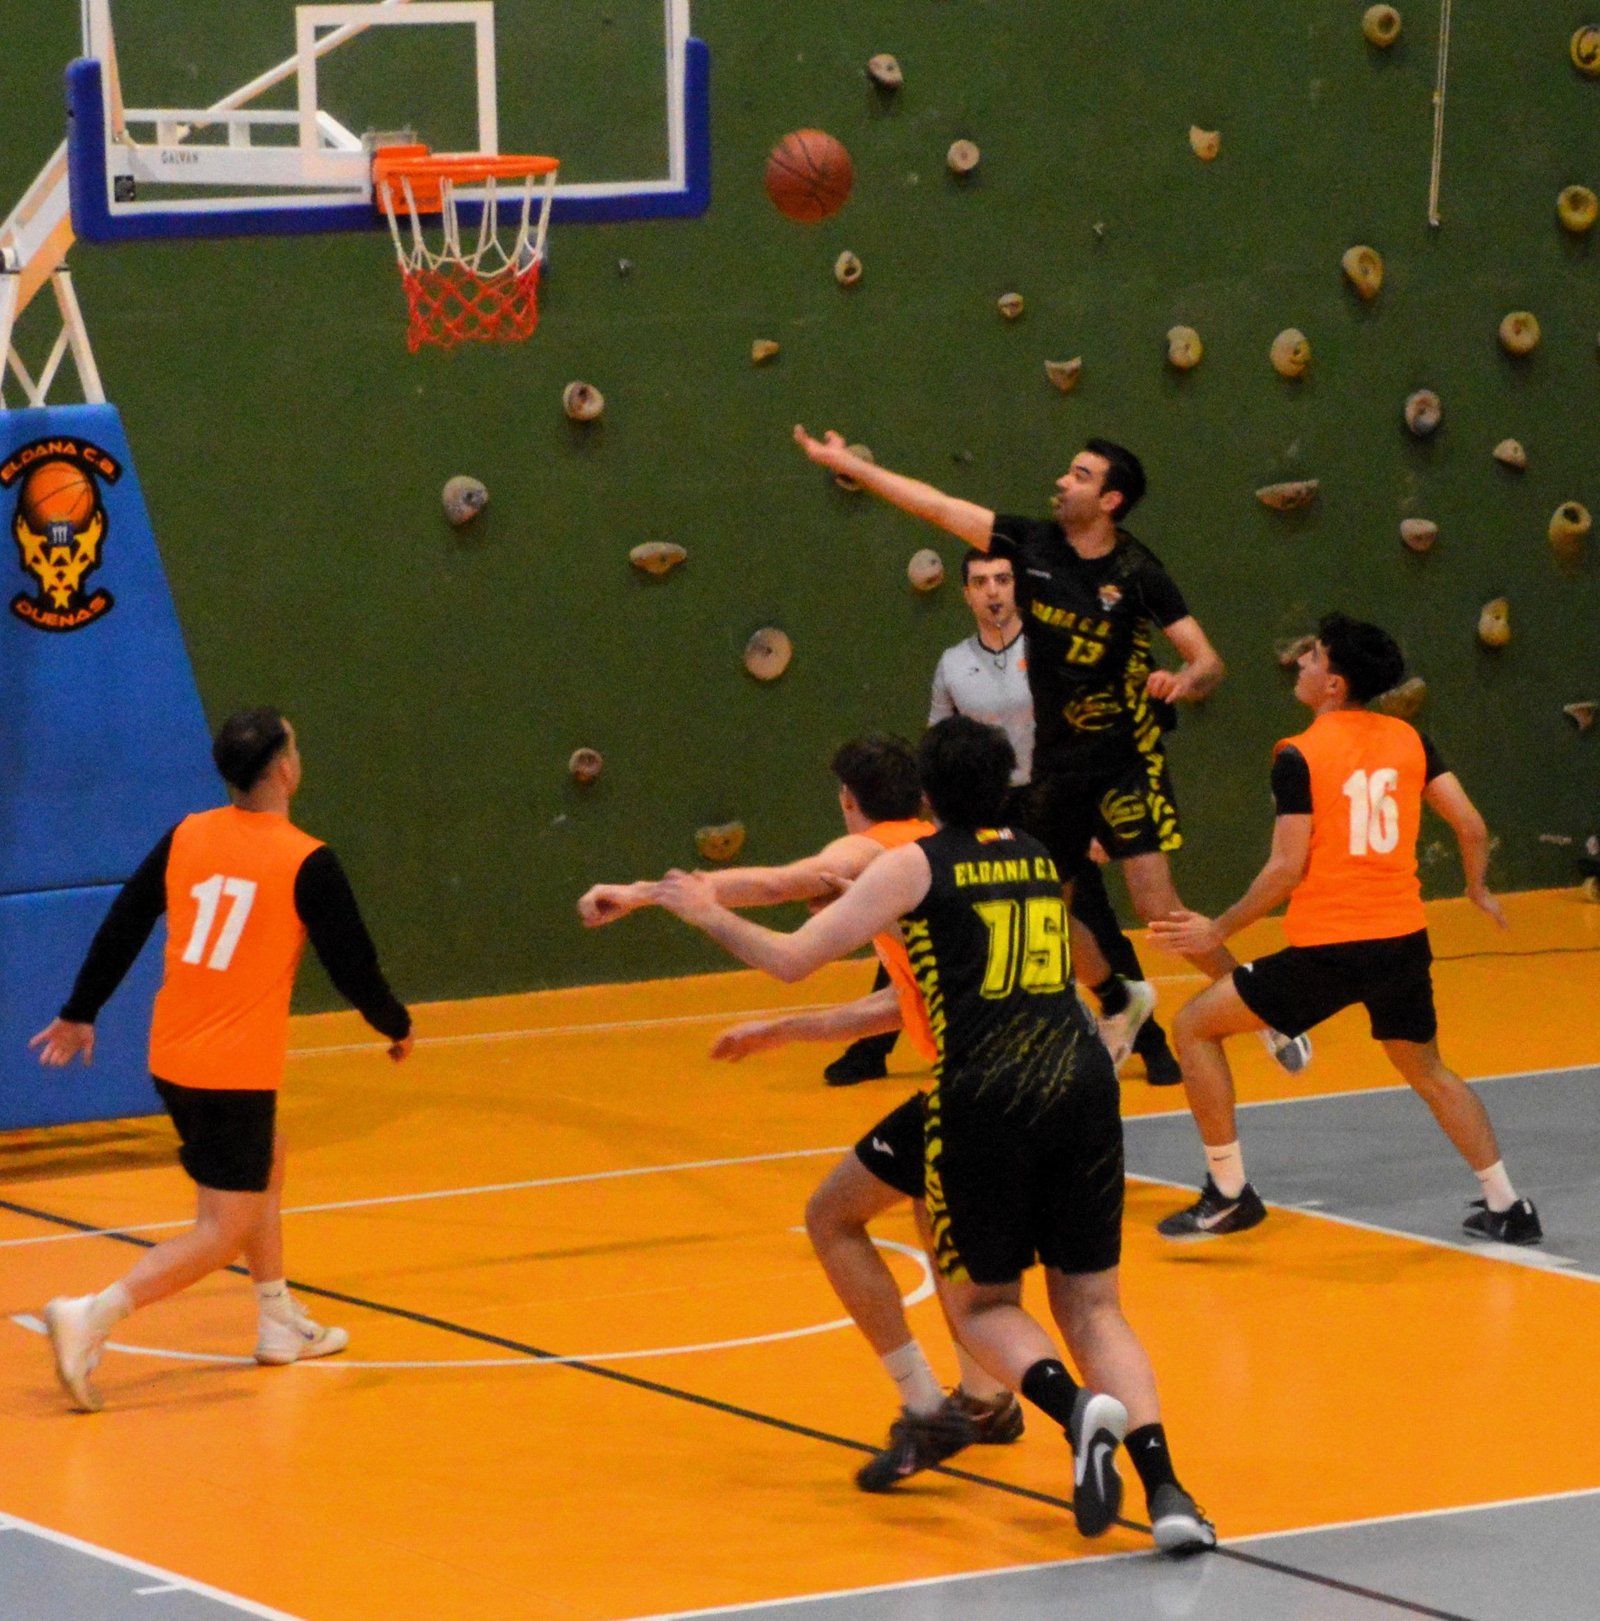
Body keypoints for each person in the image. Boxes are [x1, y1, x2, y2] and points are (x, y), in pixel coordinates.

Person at [653, 716, 1216, 1556]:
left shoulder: (913, 864)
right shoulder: (1036, 857)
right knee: (1095, 1306)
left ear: (927, 793)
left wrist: (706, 911)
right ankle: (1169, 1493)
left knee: (984, 1305)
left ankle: (1070, 1411)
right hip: (1082, 1082)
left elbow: (791, 957)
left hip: (986, 1094)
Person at [792, 426, 1310, 1077]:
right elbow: (937, 506)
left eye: (1081, 475)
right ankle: (1120, 998)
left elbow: (1207, 660)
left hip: (1122, 762)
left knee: (1158, 910)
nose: (1064, 481)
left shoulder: (1138, 573)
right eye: (1069, 470)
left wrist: (1184, 680)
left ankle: (1266, 1009)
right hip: (1057, 771)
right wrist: (850, 465)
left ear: (1111, 501)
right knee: (1041, 903)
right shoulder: (1030, 543)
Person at [580, 733, 1027, 1445]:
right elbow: (906, 1003)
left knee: (832, 1216)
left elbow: (778, 885)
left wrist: (643, 895)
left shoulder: (876, 852)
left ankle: (930, 1405)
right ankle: (985, 1398)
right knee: (935, 1221)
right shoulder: (959, 850)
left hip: (975, 1086)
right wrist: (788, 1029)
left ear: (848, 800)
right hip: (1017, 1071)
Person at [31, 709, 414, 1412]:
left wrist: (82, 1009)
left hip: (173, 1051)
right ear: (285, 770)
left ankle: (277, 1318)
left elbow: (126, 919)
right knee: (222, 1230)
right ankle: (91, 1313)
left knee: (269, 1156)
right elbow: (353, 966)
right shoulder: (306, 860)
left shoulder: (189, 834)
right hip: (232, 1067)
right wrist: (395, 1025)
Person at [1150, 615, 1542, 1244]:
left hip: (1331, 950)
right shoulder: (1410, 740)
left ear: (1334, 684)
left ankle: (1228, 1193)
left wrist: (1215, 930)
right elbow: (1471, 827)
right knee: (1429, 1070)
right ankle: (1508, 1204)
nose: (1301, 663)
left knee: (1194, 1026)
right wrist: (1477, 888)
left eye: (1313, 657)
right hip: (1402, 943)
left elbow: (1285, 870)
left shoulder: (1299, 755)